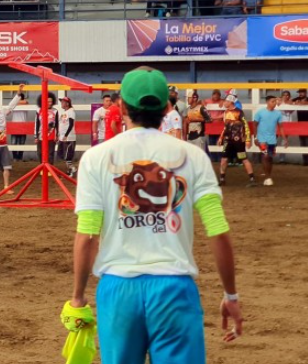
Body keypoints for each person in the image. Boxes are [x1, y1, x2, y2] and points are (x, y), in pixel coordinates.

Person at [69, 67, 243, 364]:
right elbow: (218, 231)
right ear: (166, 107)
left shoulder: (95, 158)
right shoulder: (194, 157)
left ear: (121, 105)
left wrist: (78, 296)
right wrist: (231, 295)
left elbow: (87, 235)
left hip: (117, 289)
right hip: (174, 288)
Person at [217, 100, 256, 187]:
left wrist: (248, 139)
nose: (224, 103)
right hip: (228, 139)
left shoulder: (239, 112)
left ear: (230, 102)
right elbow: (225, 127)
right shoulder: (225, 112)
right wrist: (221, 137)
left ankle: (252, 178)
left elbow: (245, 125)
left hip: (238, 140)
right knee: (224, 159)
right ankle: (222, 178)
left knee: (244, 158)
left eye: (225, 101)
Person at [253, 96, 286, 187]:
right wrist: (255, 138)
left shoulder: (278, 114)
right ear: (267, 102)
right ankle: (267, 177)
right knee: (265, 156)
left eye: (275, 101)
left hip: (272, 139)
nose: (274, 103)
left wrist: (284, 138)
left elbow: (281, 127)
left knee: (270, 157)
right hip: (262, 138)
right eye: (272, 101)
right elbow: (255, 125)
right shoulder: (260, 112)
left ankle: (268, 176)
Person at [184, 90, 212, 160]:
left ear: (194, 98)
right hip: (190, 136)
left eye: (189, 98)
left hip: (199, 136)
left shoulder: (201, 108)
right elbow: (186, 122)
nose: (187, 99)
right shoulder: (188, 110)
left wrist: (196, 120)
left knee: (200, 156)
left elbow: (210, 119)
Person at [57, 96, 78, 174]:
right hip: (62, 137)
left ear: (67, 103)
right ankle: (70, 169)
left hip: (69, 138)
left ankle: (72, 169)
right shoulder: (64, 113)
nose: (61, 104)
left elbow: (71, 124)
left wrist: (66, 135)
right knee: (61, 154)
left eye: (63, 102)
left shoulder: (71, 112)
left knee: (67, 156)